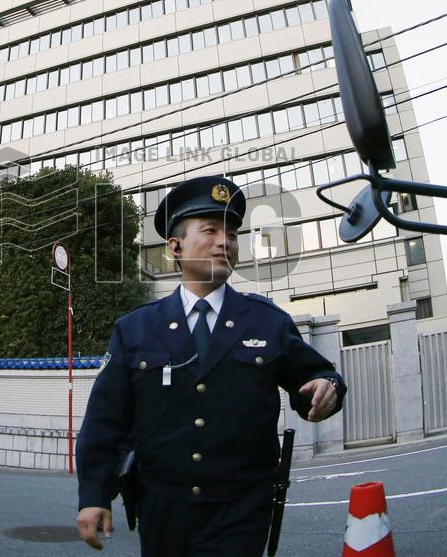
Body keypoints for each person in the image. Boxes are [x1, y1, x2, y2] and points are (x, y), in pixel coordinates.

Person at [76, 176, 347, 555]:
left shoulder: (266, 321)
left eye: (232, 233)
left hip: (240, 510)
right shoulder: (136, 329)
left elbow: (315, 376)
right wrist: (94, 494)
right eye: (211, 230)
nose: (225, 241)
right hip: (161, 510)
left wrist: (326, 386)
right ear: (175, 246)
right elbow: (106, 421)